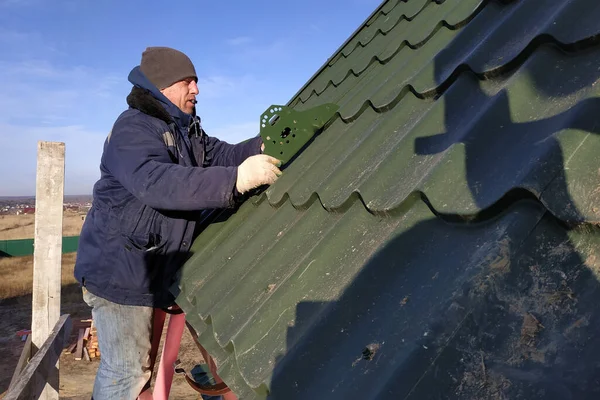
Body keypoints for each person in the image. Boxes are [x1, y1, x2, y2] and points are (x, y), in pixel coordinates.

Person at [74, 46, 282, 399]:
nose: (196, 90)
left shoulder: (185, 131)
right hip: (121, 274)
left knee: (136, 372)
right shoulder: (133, 128)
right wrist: (234, 180)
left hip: (152, 267)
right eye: (188, 82)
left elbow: (224, 153)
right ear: (162, 87)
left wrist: (263, 144)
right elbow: (157, 182)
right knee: (127, 374)